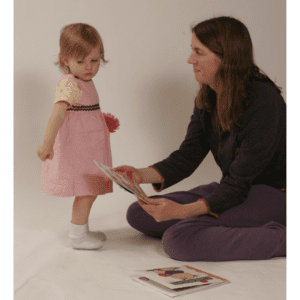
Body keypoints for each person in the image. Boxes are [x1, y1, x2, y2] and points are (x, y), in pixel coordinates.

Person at [114, 16, 286, 261]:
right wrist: (139, 175)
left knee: (178, 239)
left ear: (227, 57)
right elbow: (188, 155)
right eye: (191, 50)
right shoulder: (210, 95)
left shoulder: (263, 100)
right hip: (236, 188)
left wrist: (185, 211)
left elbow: (239, 184)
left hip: (276, 195)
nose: (190, 59)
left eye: (199, 52)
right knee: (140, 212)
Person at [37, 23, 119, 250]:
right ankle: (77, 236)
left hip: (89, 144)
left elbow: (83, 112)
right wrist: (47, 143)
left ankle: (83, 230)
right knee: (86, 190)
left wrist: (101, 123)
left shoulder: (86, 81)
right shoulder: (69, 84)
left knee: (90, 189)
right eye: (80, 61)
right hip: (79, 148)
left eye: (94, 60)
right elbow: (58, 114)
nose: (89, 67)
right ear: (65, 59)